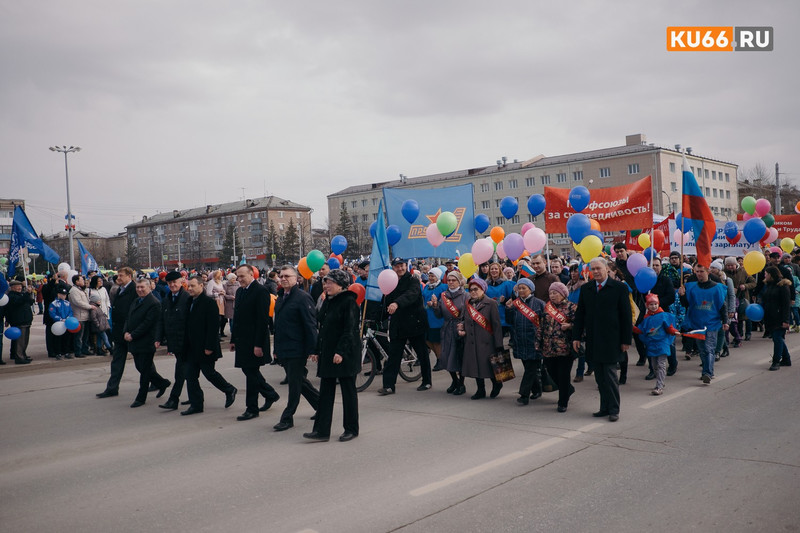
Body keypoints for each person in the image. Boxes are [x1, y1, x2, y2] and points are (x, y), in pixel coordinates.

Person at [303, 269, 361, 442]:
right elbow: (322, 327)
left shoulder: (349, 302)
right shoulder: (328, 300)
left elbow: (350, 330)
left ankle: (351, 429)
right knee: (326, 393)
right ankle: (321, 431)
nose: (326, 285)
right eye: (325, 282)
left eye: (330, 282)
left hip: (345, 354)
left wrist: (340, 352)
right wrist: (316, 350)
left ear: (341, 285)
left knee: (348, 392)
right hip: (328, 353)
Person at [572, 258, 632, 422]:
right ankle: (604, 407)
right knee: (599, 377)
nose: (596, 272)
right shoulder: (587, 289)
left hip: (612, 339)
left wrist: (626, 340)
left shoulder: (619, 288)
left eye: (599, 268)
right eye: (593, 269)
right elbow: (580, 315)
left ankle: (614, 409)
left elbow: (626, 316)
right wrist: (576, 336)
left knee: (610, 375)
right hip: (593, 339)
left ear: (606, 269)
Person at [272, 265, 320, 432]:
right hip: (284, 348)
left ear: (296, 278)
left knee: (294, 384)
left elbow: (310, 325)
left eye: (287, 276)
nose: (283, 278)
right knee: (300, 381)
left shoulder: (302, 297)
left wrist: (314, 349)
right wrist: (276, 350)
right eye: (281, 276)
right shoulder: (280, 297)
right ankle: (321, 405)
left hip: (297, 348)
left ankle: (287, 417)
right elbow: (278, 326)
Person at [181, 276, 238, 415]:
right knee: (190, 375)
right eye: (189, 286)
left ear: (201, 286)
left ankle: (229, 389)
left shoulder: (208, 303)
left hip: (205, 346)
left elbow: (213, 328)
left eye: (193, 286)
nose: (190, 289)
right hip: (191, 347)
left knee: (209, 373)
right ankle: (196, 404)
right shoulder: (189, 301)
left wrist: (209, 347)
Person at [231, 264, 280, 421]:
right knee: (249, 371)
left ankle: (252, 408)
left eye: (242, 276)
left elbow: (262, 320)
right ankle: (270, 394)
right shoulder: (240, 292)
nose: (239, 279)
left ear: (252, 275)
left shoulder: (260, 291)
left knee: (251, 374)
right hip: (242, 340)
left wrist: (258, 345)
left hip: (255, 340)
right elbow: (236, 317)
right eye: (238, 276)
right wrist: (233, 339)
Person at [377, 258, 432, 395]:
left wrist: (396, 303)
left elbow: (411, 295)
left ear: (405, 266)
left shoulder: (413, 280)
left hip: (415, 324)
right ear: (393, 268)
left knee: (422, 354)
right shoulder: (391, 281)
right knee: (394, 356)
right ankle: (388, 386)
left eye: (401, 265)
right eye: (396, 266)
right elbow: (386, 303)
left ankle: (427, 381)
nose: (399, 268)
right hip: (398, 325)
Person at [678, 263, 728, 384]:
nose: (699, 274)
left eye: (701, 271)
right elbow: (686, 304)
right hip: (697, 323)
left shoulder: (717, 288)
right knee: (702, 349)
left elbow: (722, 306)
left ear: (708, 272)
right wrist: (682, 296)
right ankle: (708, 370)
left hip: (712, 323)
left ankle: (707, 373)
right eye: (697, 271)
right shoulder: (691, 287)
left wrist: (725, 321)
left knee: (709, 348)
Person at [125, 279, 171, 407]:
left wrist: (132, 335)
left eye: (142, 287)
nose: (139, 290)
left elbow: (147, 324)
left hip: (146, 341)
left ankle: (141, 397)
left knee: (145, 371)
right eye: (138, 287)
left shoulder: (154, 303)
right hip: (134, 341)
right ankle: (162, 383)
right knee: (140, 367)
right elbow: (129, 318)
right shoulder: (136, 300)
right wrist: (126, 332)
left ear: (149, 288)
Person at [97, 267, 142, 398]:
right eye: (118, 275)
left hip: (130, 332)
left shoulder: (135, 289)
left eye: (121, 275)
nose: (118, 278)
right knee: (117, 361)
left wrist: (132, 330)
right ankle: (112, 388)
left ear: (129, 276)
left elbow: (135, 311)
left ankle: (158, 381)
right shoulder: (119, 290)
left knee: (141, 362)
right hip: (119, 332)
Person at [458, 277, 504, 400]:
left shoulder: (491, 303)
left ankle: (497, 384)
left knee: (489, 366)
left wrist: (498, 343)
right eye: (471, 289)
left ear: (483, 290)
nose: (473, 292)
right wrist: (461, 328)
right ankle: (480, 389)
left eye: (476, 289)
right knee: (475, 366)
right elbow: (462, 320)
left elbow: (496, 325)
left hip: (487, 341)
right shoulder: (467, 304)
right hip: (471, 341)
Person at [537, 281, 577, 412]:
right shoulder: (547, 307)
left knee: (563, 375)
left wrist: (570, 326)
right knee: (552, 373)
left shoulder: (572, 307)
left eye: (555, 293)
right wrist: (538, 342)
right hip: (548, 347)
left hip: (565, 348)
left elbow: (581, 326)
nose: (552, 295)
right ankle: (568, 389)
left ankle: (562, 402)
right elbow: (540, 326)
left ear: (563, 294)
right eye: (550, 293)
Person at [154, 271, 191, 410]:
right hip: (174, 341)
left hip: (186, 341)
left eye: (175, 282)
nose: (172, 285)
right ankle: (227, 390)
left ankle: (173, 399)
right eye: (169, 283)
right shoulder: (167, 299)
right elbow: (161, 321)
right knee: (190, 372)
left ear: (181, 282)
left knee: (180, 371)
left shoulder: (187, 298)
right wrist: (158, 338)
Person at [505, 278, 545, 405]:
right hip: (520, 340)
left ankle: (524, 394)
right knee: (528, 367)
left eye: (524, 288)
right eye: (519, 288)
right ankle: (537, 389)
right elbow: (510, 321)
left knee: (530, 368)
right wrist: (509, 309)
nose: (521, 290)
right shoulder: (515, 304)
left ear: (530, 289)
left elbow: (544, 323)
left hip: (534, 341)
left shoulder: (539, 304)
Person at [633, 294, 680, 395]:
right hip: (651, 345)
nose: (653, 306)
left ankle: (659, 386)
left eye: (655, 304)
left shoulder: (663, 316)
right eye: (651, 304)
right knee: (654, 366)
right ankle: (660, 381)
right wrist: (632, 327)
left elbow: (669, 327)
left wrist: (674, 331)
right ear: (647, 305)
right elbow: (641, 330)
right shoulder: (646, 319)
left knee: (661, 364)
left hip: (662, 343)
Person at [431, 271, 467, 395]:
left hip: (459, 329)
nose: (451, 282)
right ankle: (454, 380)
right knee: (446, 356)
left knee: (459, 357)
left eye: (454, 280)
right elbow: (439, 315)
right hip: (446, 329)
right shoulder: (443, 296)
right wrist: (435, 305)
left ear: (459, 281)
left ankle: (461, 384)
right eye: (449, 280)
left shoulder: (465, 295)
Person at [761, 266, 792, 371]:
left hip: (780, 317)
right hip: (770, 316)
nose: (765, 275)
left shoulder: (783, 286)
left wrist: (786, 320)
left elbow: (786, 305)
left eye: (766, 273)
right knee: (778, 338)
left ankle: (776, 361)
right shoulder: (769, 285)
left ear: (771, 274)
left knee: (777, 338)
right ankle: (786, 359)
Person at [422, 268, 446, 371]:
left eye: (433, 276)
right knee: (427, 340)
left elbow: (446, 302)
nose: (431, 278)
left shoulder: (443, 287)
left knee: (436, 341)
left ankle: (440, 361)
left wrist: (435, 304)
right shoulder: (427, 287)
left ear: (438, 277)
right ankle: (440, 358)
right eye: (430, 275)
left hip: (437, 318)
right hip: (427, 317)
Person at [6, 280, 35, 364]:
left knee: (25, 340)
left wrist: (29, 294)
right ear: (12, 288)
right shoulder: (11, 296)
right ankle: (19, 357)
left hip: (26, 320)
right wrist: (26, 294)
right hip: (19, 321)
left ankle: (23, 354)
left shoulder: (21, 294)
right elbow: (19, 301)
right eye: (18, 286)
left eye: (20, 286)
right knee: (20, 341)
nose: (20, 288)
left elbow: (30, 302)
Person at [68, 274, 94, 357]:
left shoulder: (81, 290)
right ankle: (78, 351)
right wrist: (90, 307)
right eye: (81, 280)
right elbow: (78, 302)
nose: (83, 282)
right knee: (79, 336)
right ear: (77, 282)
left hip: (85, 316)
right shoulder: (74, 291)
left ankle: (85, 349)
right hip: (79, 316)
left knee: (85, 335)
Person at [48, 285, 73, 360]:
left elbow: (71, 311)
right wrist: (60, 319)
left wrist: (68, 318)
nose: (64, 296)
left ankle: (66, 352)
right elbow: (52, 313)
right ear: (58, 294)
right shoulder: (54, 303)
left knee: (67, 338)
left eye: (65, 295)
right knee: (58, 338)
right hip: (58, 324)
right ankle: (58, 353)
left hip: (66, 323)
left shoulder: (67, 303)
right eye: (63, 294)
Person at [205, 270, 227, 337]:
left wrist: (223, 292)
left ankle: (221, 332)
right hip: (215, 301)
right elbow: (208, 293)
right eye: (220, 275)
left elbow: (223, 290)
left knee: (223, 319)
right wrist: (217, 294)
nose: (221, 276)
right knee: (218, 319)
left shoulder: (220, 282)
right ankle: (216, 334)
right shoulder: (211, 282)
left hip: (221, 301)